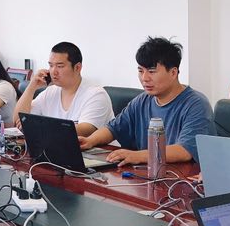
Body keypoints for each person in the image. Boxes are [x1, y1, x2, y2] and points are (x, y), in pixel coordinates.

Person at [79, 37, 215, 167]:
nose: (144, 78)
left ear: (173, 73)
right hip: (147, 173)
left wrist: (137, 156)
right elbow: (113, 129)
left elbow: (184, 151)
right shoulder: (142, 100)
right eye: (141, 71)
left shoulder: (196, 104)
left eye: (152, 71)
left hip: (182, 177)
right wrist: (90, 141)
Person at [13, 41, 113, 136]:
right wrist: (32, 86)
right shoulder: (50, 92)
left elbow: (85, 130)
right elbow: (18, 120)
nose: (53, 71)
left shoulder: (96, 94)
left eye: (60, 66)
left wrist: (38, 126)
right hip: (55, 146)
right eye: (51, 65)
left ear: (77, 68)